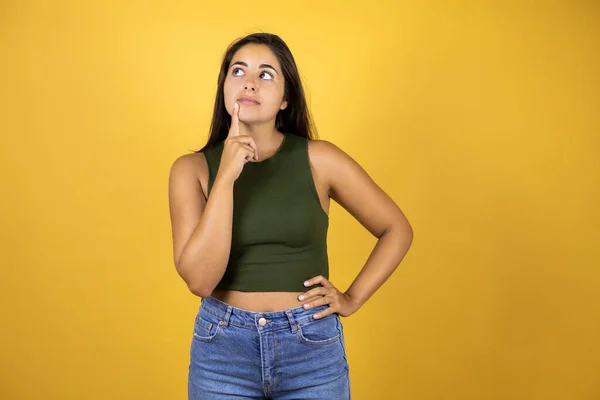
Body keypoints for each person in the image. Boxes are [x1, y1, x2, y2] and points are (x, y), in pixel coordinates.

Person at [168, 32, 413, 400]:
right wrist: (227, 175)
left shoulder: (320, 159)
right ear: (224, 88)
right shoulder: (193, 170)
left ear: (285, 99)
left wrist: (351, 298)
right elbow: (201, 281)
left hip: (310, 349)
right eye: (238, 71)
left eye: (266, 74)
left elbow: (397, 229)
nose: (249, 82)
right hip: (222, 351)